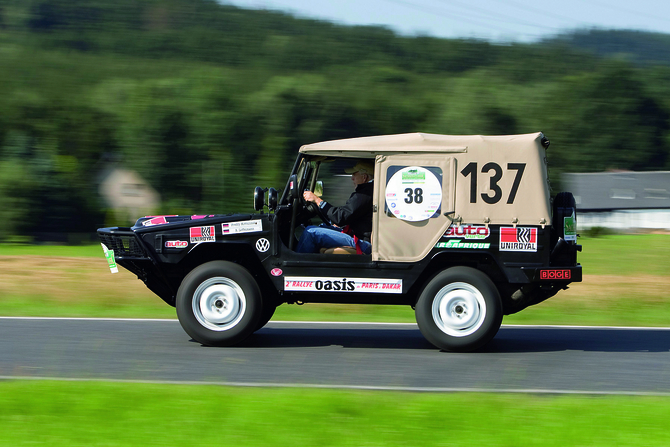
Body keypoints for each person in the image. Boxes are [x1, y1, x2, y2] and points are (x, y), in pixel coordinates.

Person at [296, 160, 374, 254]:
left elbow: (340, 217)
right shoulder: (368, 193)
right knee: (322, 227)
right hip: (357, 236)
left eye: (354, 174)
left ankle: (297, 262)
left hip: (362, 243)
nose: (352, 178)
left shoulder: (364, 195)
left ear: (364, 177)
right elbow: (350, 216)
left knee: (311, 233)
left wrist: (317, 200)